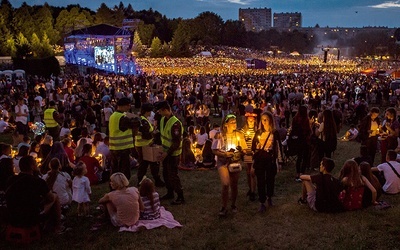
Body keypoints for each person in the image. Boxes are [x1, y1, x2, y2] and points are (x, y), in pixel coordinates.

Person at [5, 156, 66, 233]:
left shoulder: (11, 179)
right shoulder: (37, 182)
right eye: (35, 163)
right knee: (55, 196)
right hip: (30, 217)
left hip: (12, 216)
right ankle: (58, 227)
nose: (37, 164)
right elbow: (50, 198)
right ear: (31, 166)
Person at [212, 114, 247, 216]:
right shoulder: (219, 135)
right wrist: (224, 154)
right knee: (226, 184)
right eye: (232, 122)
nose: (234, 124)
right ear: (226, 124)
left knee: (234, 184)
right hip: (223, 161)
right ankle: (223, 207)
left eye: (235, 122)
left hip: (235, 161)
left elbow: (244, 149)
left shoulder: (239, 134)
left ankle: (233, 204)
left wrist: (242, 150)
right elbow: (214, 150)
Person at [252, 111, 283, 212]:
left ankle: (269, 196)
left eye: (266, 120)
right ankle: (262, 202)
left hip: (270, 159)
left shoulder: (274, 133)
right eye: (262, 120)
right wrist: (256, 148)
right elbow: (253, 147)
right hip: (260, 159)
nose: (264, 122)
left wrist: (280, 161)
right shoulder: (258, 133)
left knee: (270, 179)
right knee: (260, 180)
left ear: (270, 121)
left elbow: (278, 147)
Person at [155, 101, 185, 205]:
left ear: (165, 110)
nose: (158, 113)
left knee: (173, 175)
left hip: (173, 154)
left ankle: (180, 196)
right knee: (166, 174)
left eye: (160, 111)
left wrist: (166, 153)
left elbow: (176, 142)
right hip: (165, 152)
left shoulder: (175, 123)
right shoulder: (163, 119)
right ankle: (170, 192)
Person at [109, 97, 140, 181]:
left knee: (115, 169)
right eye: (128, 105)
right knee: (124, 170)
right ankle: (122, 187)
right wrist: (136, 117)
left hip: (114, 147)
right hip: (122, 148)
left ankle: (114, 186)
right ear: (122, 106)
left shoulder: (113, 116)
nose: (129, 107)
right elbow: (136, 123)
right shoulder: (122, 117)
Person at [135, 103, 164, 187]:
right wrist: (154, 133)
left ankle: (140, 180)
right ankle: (156, 180)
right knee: (152, 163)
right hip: (146, 145)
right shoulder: (143, 121)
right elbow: (146, 135)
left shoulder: (140, 119)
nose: (151, 113)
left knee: (143, 164)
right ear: (147, 111)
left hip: (140, 145)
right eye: (150, 111)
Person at [291, 105, 312, 182]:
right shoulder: (305, 120)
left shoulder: (295, 119)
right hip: (304, 141)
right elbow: (308, 131)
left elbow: (293, 129)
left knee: (299, 158)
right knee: (305, 157)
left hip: (297, 141)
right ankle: (302, 173)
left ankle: (297, 173)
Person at [240, 112, 257, 201]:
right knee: (248, 173)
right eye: (249, 120)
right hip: (247, 154)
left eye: (252, 120)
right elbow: (241, 141)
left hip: (254, 154)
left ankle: (253, 191)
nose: (251, 122)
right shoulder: (243, 131)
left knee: (252, 173)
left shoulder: (256, 130)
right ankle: (250, 189)